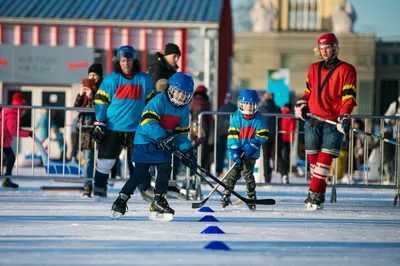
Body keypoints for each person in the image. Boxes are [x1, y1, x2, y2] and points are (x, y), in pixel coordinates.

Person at [110, 72, 197, 220]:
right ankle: (121, 199)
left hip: (164, 143)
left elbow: (181, 134)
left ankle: (158, 199)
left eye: (185, 95)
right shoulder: (159, 100)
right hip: (146, 140)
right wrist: (162, 136)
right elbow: (147, 121)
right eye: (179, 93)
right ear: (171, 89)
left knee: (165, 169)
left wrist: (187, 151)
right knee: (140, 174)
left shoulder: (184, 110)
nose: (181, 98)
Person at [295, 32, 357, 210]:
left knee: (324, 160)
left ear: (335, 49)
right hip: (313, 120)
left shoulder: (347, 69)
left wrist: (345, 115)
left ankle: (313, 193)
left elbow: (348, 97)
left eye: (327, 48)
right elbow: (308, 92)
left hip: (333, 121)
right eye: (321, 49)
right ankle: (320, 195)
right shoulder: (313, 68)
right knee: (313, 162)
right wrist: (302, 105)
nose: (324, 52)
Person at [92, 45, 154, 199]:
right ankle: (99, 186)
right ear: (119, 62)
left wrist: (151, 123)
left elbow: (151, 103)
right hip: (113, 127)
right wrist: (99, 122)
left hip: (136, 129)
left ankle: (145, 189)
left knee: (139, 161)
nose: (126, 63)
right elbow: (100, 101)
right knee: (106, 161)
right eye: (123, 60)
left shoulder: (144, 79)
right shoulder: (111, 80)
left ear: (134, 61)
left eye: (129, 60)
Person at [221, 89, 268, 211]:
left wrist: (252, 145)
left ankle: (251, 196)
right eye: (246, 104)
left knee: (247, 174)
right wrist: (235, 150)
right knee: (232, 174)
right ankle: (226, 194)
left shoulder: (258, 118)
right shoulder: (237, 117)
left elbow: (263, 134)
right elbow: (232, 135)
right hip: (237, 152)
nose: (248, 108)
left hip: (250, 153)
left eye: (251, 105)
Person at [74, 63, 103, 197]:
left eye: (95, 75)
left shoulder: (103, 89)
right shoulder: (85, 90)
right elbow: (77, 108)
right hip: (86, 129)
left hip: (99, 127)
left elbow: (101, 108)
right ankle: (87, 186)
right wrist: (81, 95)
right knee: (88, 159)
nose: (92, 77)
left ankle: (101, 185)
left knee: (102, 160)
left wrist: (93, 97)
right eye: (90, 75)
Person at [0, 92, 33, 188]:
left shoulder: (13, 112)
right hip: (1, 139)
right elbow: (13, 131)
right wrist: (28, 134)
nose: (25, 112)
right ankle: (7, 178)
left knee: (11, 158)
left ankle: (7, 179)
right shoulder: (12, 113)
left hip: (3, 140)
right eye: (24, 110)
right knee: (10, 158)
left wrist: (28, 132)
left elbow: (15, 128)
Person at [258, 91, 281, 183]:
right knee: (277, 155)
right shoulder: (277, 108)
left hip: (264, 134)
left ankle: (267, 177)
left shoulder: (261, 108)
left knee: (266, 157)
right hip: (276, 134)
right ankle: (283, 174)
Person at [216, 92, 237, 176]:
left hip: (221, 132)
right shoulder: (235, 108)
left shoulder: (221, 108)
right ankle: (233, 169)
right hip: (232, 132)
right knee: (233, 151)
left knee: (220, 152)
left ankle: (218, 170)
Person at [279, 103, 296, 184]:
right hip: (288, 138)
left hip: (280, 136)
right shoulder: (291, 115)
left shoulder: (280, 113)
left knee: (279, 155)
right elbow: (292, 127)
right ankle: (285, 172)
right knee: (286, 156)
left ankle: (282, 171)